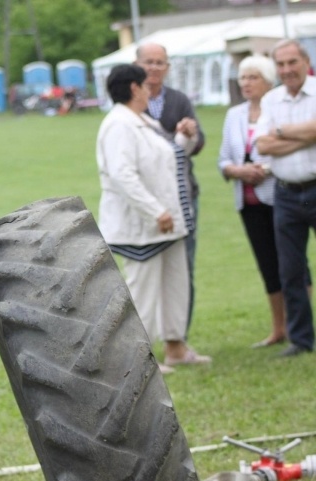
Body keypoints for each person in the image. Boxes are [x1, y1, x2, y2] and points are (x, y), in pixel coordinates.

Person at [96, 64, 211, 373]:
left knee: (175, 284)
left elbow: (165, 160)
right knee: (143, 291)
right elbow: (123, 175)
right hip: (143, 225)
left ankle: (176, 346)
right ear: (134, 88)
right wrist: (154, 210)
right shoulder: (119, 124)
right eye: (145, 85)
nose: (150, 91)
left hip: (168, 222)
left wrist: (184, 139)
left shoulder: (143, 120)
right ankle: (138, 359)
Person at [218, 55, 291, 349]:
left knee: (291, 263)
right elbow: (223, 159)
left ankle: (300, 323)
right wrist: (237, 171)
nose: (245, 83)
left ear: (268, 80)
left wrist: (264, 170)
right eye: (242, 77)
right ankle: (279, 328)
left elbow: (293, 150)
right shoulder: (234, 115)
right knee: (267, 264)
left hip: (281, 195)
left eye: (252, 77)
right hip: (247, 202)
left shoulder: (279, 110)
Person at [136, 42, 206, 337]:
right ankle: (147, 340)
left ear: (167, 67)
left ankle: (179, 338)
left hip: (181, 193)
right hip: (147, 197)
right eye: (148, 62)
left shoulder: (178, 100)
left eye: (160, 62)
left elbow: (199, 143)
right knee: (146, 273)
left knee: (183, 267)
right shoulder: (131, 106)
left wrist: (191, 134)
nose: (154, 68)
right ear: (137, 65)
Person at [256, 39, 316, 357]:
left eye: (292, 62)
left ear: (306, 61)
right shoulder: (271, 99)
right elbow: (262, 146)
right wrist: (305, 136)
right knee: (291, 269)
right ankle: (302, 339)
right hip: (287, 194)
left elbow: (271, 138)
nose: (287, 70)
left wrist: (280, 132)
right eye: (281, 64)